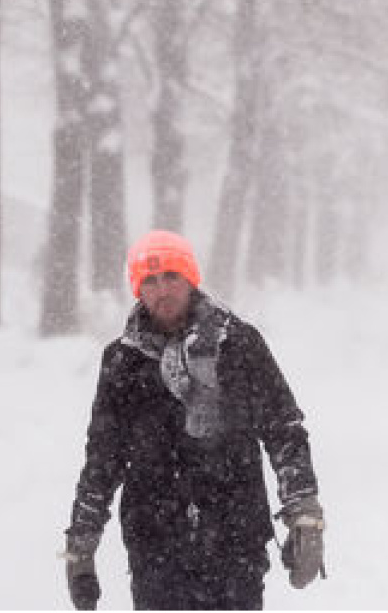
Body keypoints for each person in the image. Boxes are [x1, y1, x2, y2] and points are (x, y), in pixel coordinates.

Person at [64, 230, 325, 610]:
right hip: (155, 541)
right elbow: (104, 455)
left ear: (190, 278)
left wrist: (305, 514)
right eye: (150, 281)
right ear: (138, 290)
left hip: (236, 533)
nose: (162, 290)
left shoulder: (238, 344)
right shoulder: (122, 362)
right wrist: (81, 544)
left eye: (171, 276)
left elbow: (283, 429)